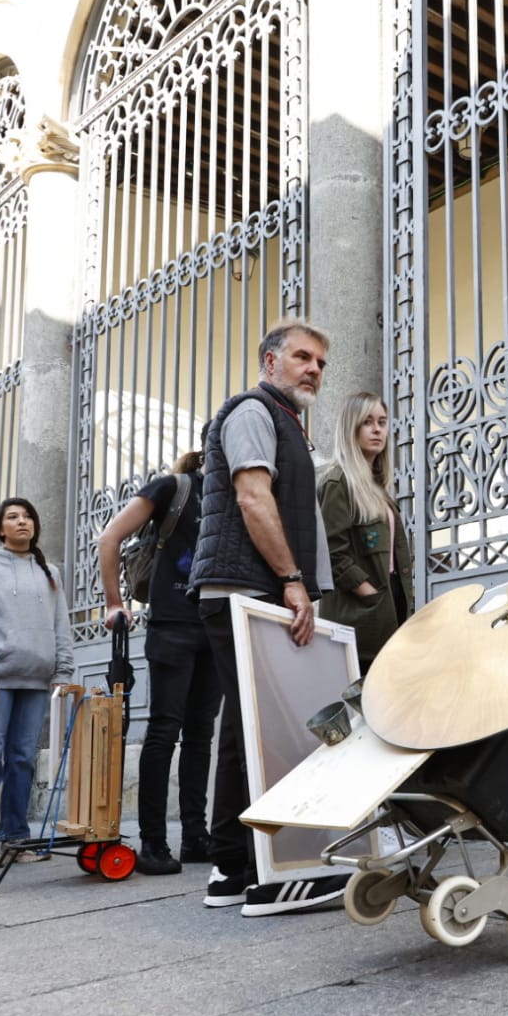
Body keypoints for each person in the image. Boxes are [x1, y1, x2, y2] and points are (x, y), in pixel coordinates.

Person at [188, 319, 347, 917]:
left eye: (321, 363)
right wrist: (291, 580)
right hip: (246, 590)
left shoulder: (285, 421)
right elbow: (253, 497)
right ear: (269, 361)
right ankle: (272, 876)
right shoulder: (254, 411)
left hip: (247, 591)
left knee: (243, 731)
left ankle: (231, 868)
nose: (314, 369)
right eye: (303, 357)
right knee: (267, 734)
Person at [96, 446, 221, 876]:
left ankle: (195, 836)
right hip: (174, 624)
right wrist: (115, 602)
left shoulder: (239, 492)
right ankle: (152, 842)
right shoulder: (176, 487)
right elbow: (110, 537)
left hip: (215, 626)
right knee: (166, 730)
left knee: (201, 735)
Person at [0, 497, 76, 872]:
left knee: (22, 760)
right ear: (0, 527)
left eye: (27, 517)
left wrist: (64, 672)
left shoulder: (48, 571)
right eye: (12, 517)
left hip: (36, 681)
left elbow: (61, 626)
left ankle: (15, 836)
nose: (22, 522)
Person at [317, 391, 414, 673]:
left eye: (382, 422)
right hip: (360, 614)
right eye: (367, 422)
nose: (377, 430)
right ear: (351, 428)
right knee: (361, 701)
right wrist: (370, 594)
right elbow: (333, 553)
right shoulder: (338, 483)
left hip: (390, 603)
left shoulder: (378, 490)